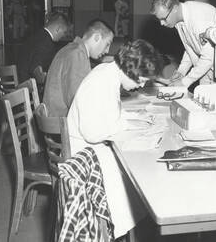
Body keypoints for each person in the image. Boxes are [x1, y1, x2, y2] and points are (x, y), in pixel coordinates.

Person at [67, 39, 163, 239]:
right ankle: (119, 232)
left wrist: (134, 120)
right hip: (85, 157)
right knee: (138, 182)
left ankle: (129, 231)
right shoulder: (102, 82)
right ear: (131, 70)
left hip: (90, 148)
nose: (143, 84)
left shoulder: (107, 73)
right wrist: (126, 126)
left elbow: (110, 114)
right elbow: (92, 133)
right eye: (142, 80)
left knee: (138, 173)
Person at [43, 19, 114, 117]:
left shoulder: (72, 49)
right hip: (62, 123)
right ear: (97, 37)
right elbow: (78, 101)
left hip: (58, 118)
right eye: (107, 44)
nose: (107, 50)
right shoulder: (77, 54)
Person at [150, 0, 216, 88]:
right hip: (205, 68)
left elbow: (209, 56)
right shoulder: (179, 18)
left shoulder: (199, 19)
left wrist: (185, 81)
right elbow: (191, 46)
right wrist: (181, 71)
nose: (162, 23)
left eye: (164, 19)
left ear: (174, 9)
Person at [17, 12, 70, 86]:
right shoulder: (46, 43)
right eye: (64, 32)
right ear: (58, 29)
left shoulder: (36, 35)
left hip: (21, 83)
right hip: (29, 89)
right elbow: (36, 68)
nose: (64, 36)